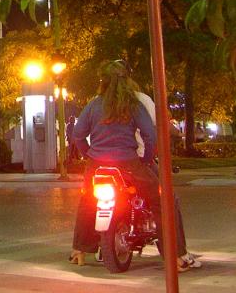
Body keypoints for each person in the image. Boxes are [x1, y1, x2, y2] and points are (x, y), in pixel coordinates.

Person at [70, 60, 201, 272]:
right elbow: (150, 136)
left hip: (97, 165)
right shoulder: (134, 104)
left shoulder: (94, 104)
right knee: (162, 201)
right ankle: (176, 255)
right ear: (128, 79)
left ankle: (79, 250)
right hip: (128, 164)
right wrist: (147, 159)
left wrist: (89, 155)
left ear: (102, 81)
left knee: (87, 201)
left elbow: (77, 135)